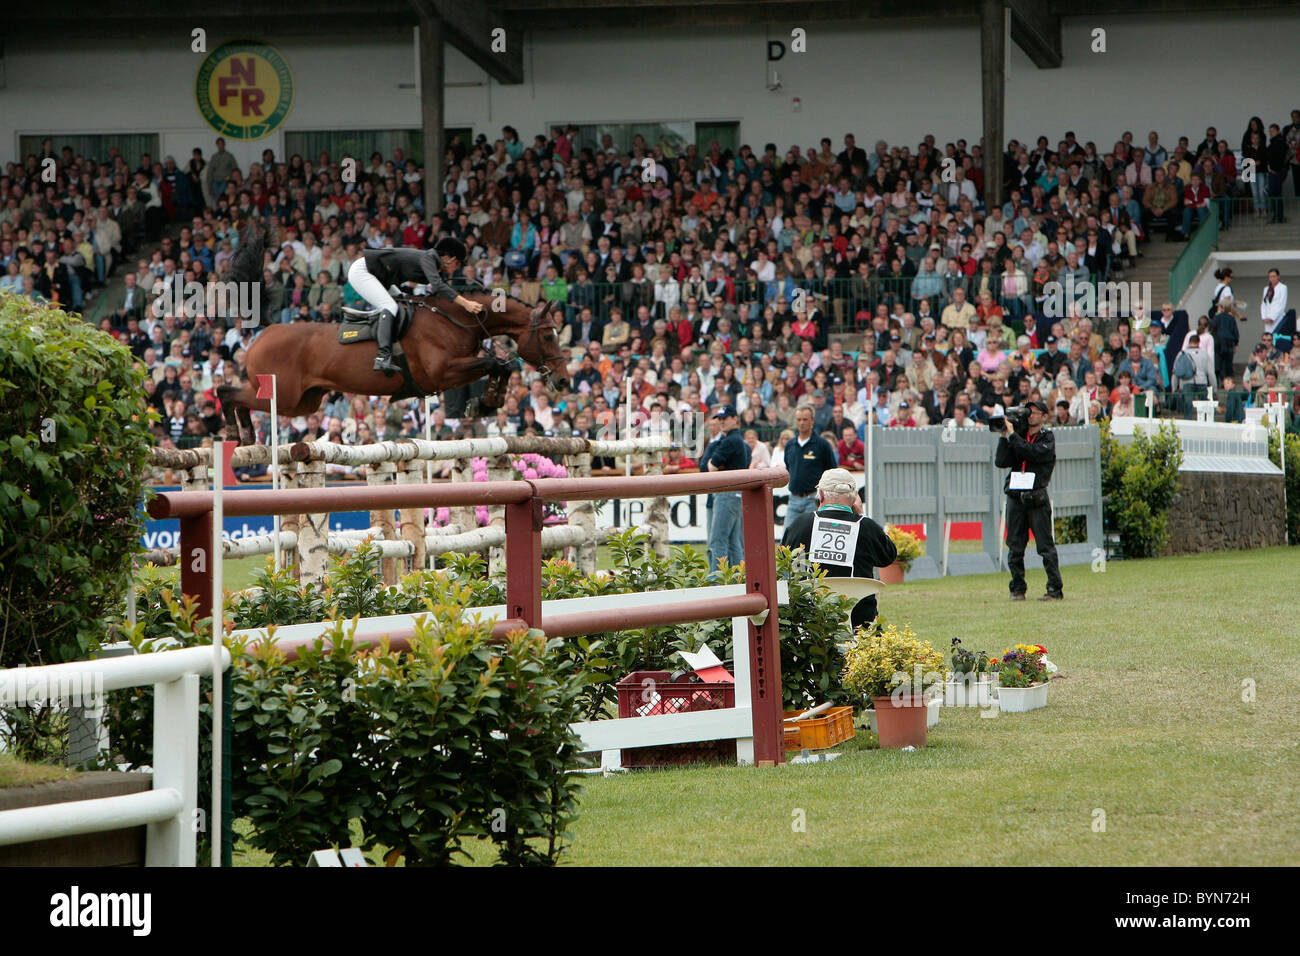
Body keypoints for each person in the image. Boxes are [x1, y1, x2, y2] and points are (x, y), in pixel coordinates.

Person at [780, 468, 896, 629]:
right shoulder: (866, 527)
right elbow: (888, 557)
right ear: (855, 497)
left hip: (811, 623)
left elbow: (786, 563)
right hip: (859, 622)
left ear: (820, 495)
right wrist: (862, 515)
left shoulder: (800, 525)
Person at [346, 237, 482, 374]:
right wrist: (466, 303)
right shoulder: (428, 258)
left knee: (402, 300)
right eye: (457, 263)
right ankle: (383, 356)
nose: (457, 268)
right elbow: (438, 285)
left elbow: (440, 288)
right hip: (363, 272)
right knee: (390, 307)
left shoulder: (432, 261)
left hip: (380, 276)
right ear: (447, 257)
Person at [994, 400, 1063, 601]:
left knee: (1045, 546)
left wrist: (1014, 436)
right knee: (1015, 546)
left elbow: (1033, 453)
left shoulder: (1047, 437)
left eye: (1034, 412)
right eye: (1028, 412)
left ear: (1044, 416)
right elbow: (1001, 461)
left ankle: (1054, 589)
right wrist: (1003, 437)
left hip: (1036, 498)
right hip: (1016, 497)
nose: (1029, 416)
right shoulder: (1019, 437)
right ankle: (1017, 588)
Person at [700, 404, 749, 575]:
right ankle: (740, 579)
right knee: (733, 541)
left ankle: (716, 580)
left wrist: (717, 466)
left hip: (726, 493)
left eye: (724, 418)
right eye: (719, 419)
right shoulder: (736, 440)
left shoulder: (730, 441)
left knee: (718, 541)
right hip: (735, 494)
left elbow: (710, 467)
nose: (721, 422)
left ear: (735, 419)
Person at [783, 403, 839, 525]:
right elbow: (788, 467)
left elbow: (832, 471)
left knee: (811, 537)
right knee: (786, 539)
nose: (802, 422)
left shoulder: (822, 445)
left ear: (812, 421)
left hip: (813, 499)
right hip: (793, 498)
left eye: (805, 419)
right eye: (799, 419)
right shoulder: (789, 445)